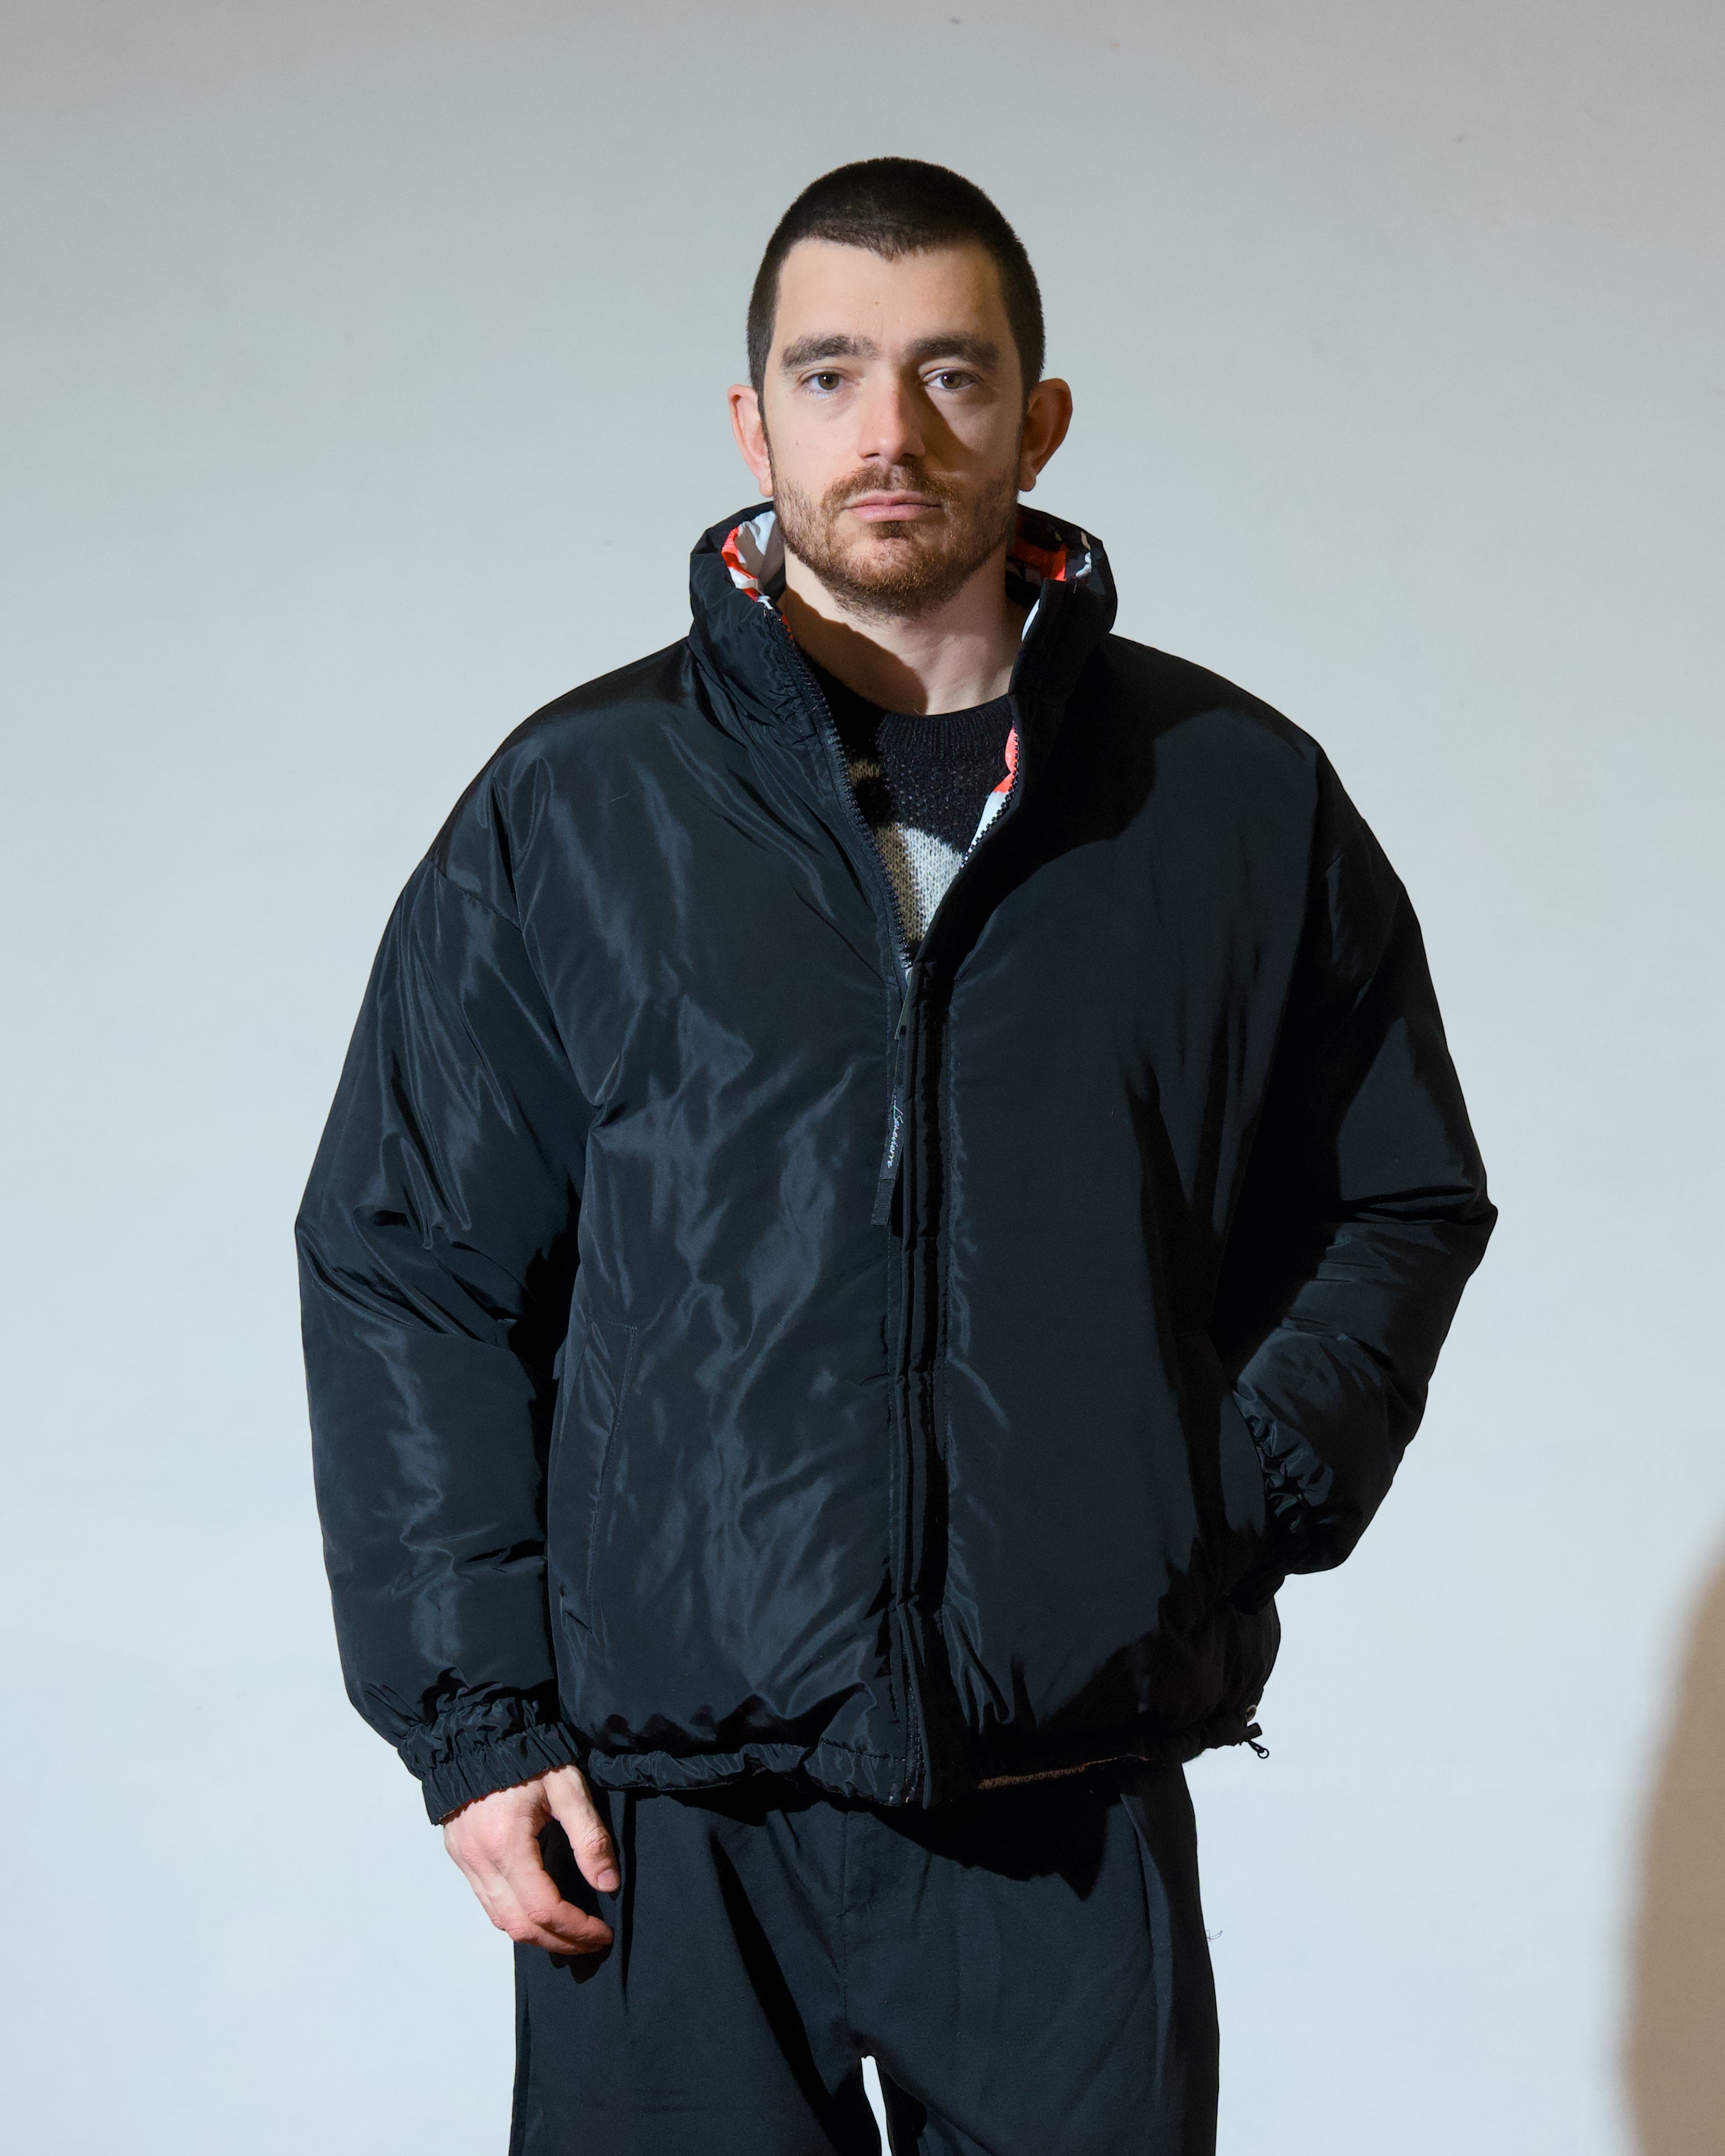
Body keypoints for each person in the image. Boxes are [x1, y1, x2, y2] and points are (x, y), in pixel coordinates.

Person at [297, 157, 1496, 2155]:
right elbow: (409, 1255)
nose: (891, 430)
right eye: (831, 371)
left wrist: (1237, 1486)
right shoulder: (576, 809)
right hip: (668, 1825)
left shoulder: (1228, 802)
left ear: (1039, 417)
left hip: (1066, 1798)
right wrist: (477, 1718)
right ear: (752, 421)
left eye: (952, 372)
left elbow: (1398, 1191)